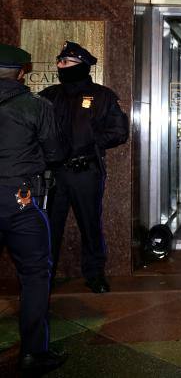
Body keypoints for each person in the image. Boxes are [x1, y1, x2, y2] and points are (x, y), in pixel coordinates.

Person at [40, 41, 129, 293]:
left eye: (66, 62)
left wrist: (89, 141)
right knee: (50, 227)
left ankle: (95, 274)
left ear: (82, 65)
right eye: (59, 61)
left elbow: (119, 132)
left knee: (90, 225)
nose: (60, 65)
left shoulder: (102, 96)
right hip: (54, 174)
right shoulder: (49, 96)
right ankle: (44, 275)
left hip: (85, 171)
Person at [0, 44, 67, 372]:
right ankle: (32, 353)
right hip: (20, 201)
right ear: (22, 72)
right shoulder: (35, 106)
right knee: (36, 275)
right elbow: (54, 153)